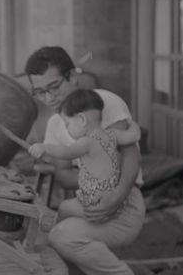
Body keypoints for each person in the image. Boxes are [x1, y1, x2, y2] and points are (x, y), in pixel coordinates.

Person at [24, 46, 145, 275]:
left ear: (72, 77)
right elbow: (63, 173)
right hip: (95, 197)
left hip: (125, 202)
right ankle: (93, 274)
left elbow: (130, 153)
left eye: (54, 86)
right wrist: (94, 182)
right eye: (40, 92)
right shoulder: (56, 124)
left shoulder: (100, 103)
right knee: (59, 219)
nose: (49, 97)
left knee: (62, 236)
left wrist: (116, 192)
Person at [28, 88, 142, 222]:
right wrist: (131, 124)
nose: (67, 129)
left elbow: (66, 152)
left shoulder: (86, 143)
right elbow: (134, 135)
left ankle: (55, 226)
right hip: (112, 196)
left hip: (95, 199)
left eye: (67, 124)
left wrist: (44, 148)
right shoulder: (113, 135)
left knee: (64, 207)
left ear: (82, 119)